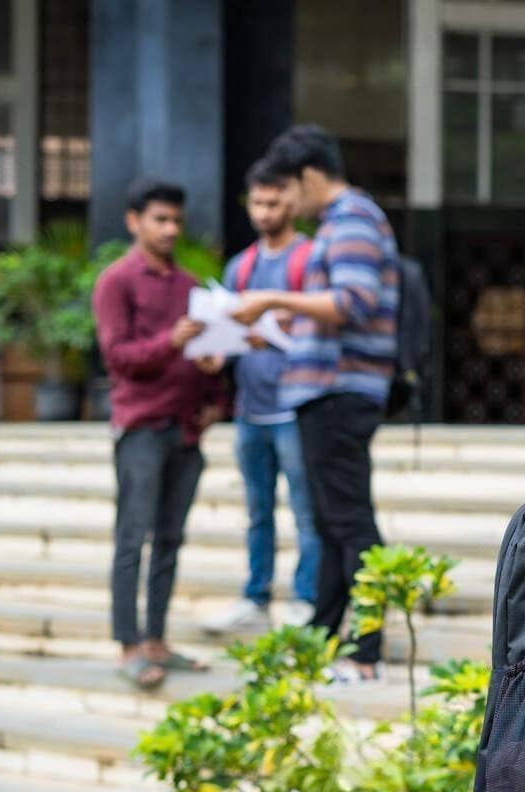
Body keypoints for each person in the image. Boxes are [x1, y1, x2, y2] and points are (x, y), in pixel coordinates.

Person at [230, 125, 399, 682]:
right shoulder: (342, 221)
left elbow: (353, 301)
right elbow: (336, 304)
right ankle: (325, 642)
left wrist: (274, 298)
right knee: (330, 524)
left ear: (307, 178)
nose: (288, 205)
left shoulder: (351, 218)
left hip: (339, 389)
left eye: (289, 189)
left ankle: (366, 652)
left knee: (349, 523)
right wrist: (284, 320)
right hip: (326, 388)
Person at [92, 178, 225, 690]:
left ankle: (157, 641)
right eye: (159, 220)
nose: (170, 229)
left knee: (170, 540)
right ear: (134, 222)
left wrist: (216, 394)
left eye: (176, 220)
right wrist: (170, 340)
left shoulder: (192, 287)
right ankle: (129, 645)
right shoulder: (116, 282)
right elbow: (118, 357)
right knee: (133, 538)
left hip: (187, 433)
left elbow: (208, 358)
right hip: (141, 430)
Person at [203, 159, 321, 635]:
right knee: (257, 510)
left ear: (291, 203)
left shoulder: (308, 258)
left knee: (306, 510)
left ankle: (305, 597)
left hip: (296, 406)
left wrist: (272, 332)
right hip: (250, 410)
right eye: (257, 202)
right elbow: (228, 330)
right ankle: (255, 595)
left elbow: (320, 324)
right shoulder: (242, 266)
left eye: (274, 202)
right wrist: (212, 353)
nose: (265, 211)